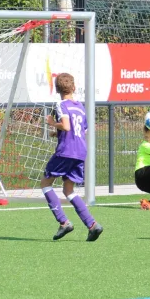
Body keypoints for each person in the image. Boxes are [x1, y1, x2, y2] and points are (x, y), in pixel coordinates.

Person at [41, 73, 103, 241]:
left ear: (57, 89)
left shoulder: (60, 104)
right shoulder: (80, 107)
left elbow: (67, 126)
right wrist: (57, 133)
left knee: (46, 184)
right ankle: (92, 225)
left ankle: (63, 222)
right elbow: (82, 130)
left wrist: (52, 123)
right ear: (74, 88)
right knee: (68, 190)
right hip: (80, 152)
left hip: (66, 151)